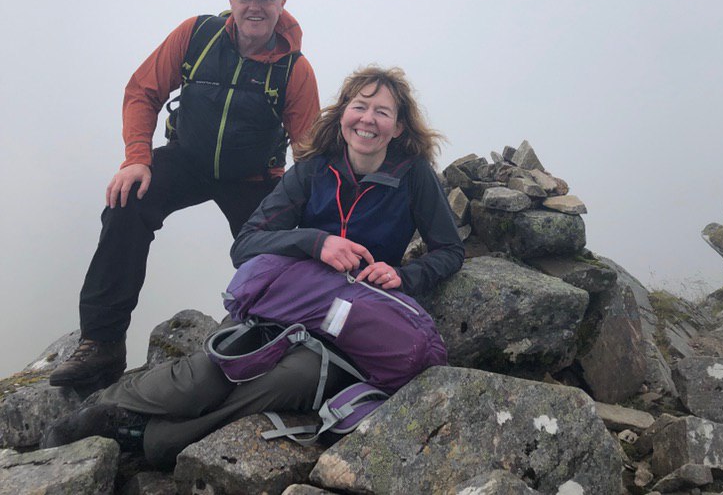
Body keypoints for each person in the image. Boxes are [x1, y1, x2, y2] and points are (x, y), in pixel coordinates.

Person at [44, 66, 464, 468]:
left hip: (351, 327)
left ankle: (152, 438)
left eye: (382, 111)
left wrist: (404, 276)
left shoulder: (413, 178)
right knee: (207, 375)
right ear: (342, 116)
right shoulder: (312, 171)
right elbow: (247, 245)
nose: (367, 120)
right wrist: (315, 242)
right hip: (287, 304)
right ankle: (106, 409)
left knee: (288, 381)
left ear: (400, 126)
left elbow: (449, 249)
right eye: (359, 107)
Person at [49, 0, 320, 389]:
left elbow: (308, 151)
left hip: (255, 179)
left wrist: (312, 218)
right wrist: (137, 157)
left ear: (281, 3)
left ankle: (269, 343)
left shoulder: (294, 69)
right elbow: (143, 90)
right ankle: (101, 344)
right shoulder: (197, 35)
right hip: (186, 160)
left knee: (273, 256)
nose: (254, 6)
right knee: (126, 203)